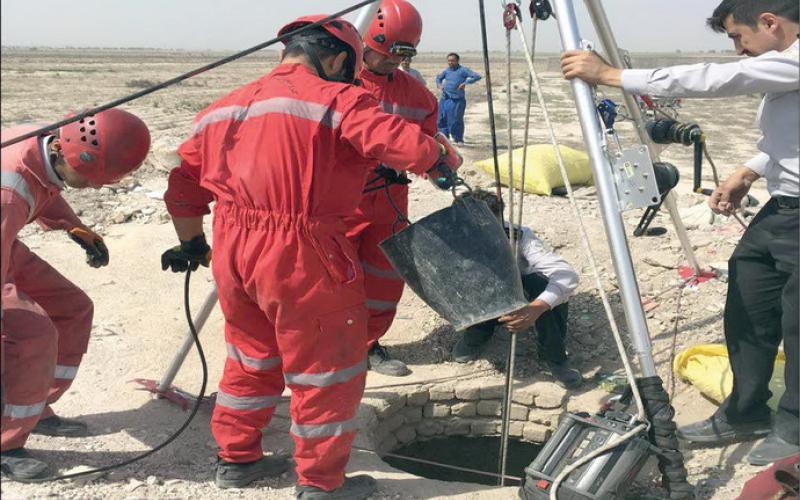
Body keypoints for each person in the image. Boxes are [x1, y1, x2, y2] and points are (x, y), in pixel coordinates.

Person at [161, 15, 460, 499]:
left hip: (233, 246)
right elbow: (402, 143)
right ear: (339, 59)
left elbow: (182, 188)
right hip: (302, 248)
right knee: (328, 369)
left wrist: (192, 242)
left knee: (251, 355)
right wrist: (443, 159)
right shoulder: (338, 99)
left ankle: (237, 459)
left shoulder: (221, 108)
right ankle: (321, 485)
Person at [561, 0, 798, 465]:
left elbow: (718, 79)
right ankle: (746, 411)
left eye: (738, 36)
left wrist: (614, 76)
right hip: (783, 209)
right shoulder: (785, 70)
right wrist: (747, 172)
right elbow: (787, 140)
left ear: (769, 23)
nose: (738, 49)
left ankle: (793, 428)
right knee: (749, 301)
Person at [0, 109, 151, 480]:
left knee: (73, 307)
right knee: (32, 333)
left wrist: (75, 227)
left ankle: (31, 405)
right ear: (65, 154)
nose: (97, 188)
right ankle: (6, 443)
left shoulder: (44, 147)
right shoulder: (6, 194)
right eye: (90, 179)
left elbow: (42, 186)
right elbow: (20, 189)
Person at [346, 0, 442, 377]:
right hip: (341, 200)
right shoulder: (340, 86)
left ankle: (369, 346)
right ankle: (329, 348)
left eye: (397, 58)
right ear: (362, 42)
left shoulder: (416, 95)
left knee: (384, 279)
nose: (390, 63)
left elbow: (431, 140)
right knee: (335, 280)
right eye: (383, 55)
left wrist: (442, 164)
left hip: (390, 200)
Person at [450, 190, 582, 389]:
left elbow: (566, 275)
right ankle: (478, 332)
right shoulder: (450, 238)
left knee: (541, 284)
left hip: (521, 293)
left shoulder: (519, 236)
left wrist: (535, 308)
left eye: (490, 225)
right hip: (483, 294)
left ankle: (554, 356)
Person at [436, 53, 481, 146]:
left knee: (455, 120)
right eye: (449, 61)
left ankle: (458, 139)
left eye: (452, 60)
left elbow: (477, 76)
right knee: (441, 119)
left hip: (457, 100)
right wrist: (439, 85)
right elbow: (438, 78)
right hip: (445, 99)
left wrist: (465, 82)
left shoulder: (463, 70)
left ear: (457, 61)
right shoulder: (446, 71)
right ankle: (444, 138)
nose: (450, 62)